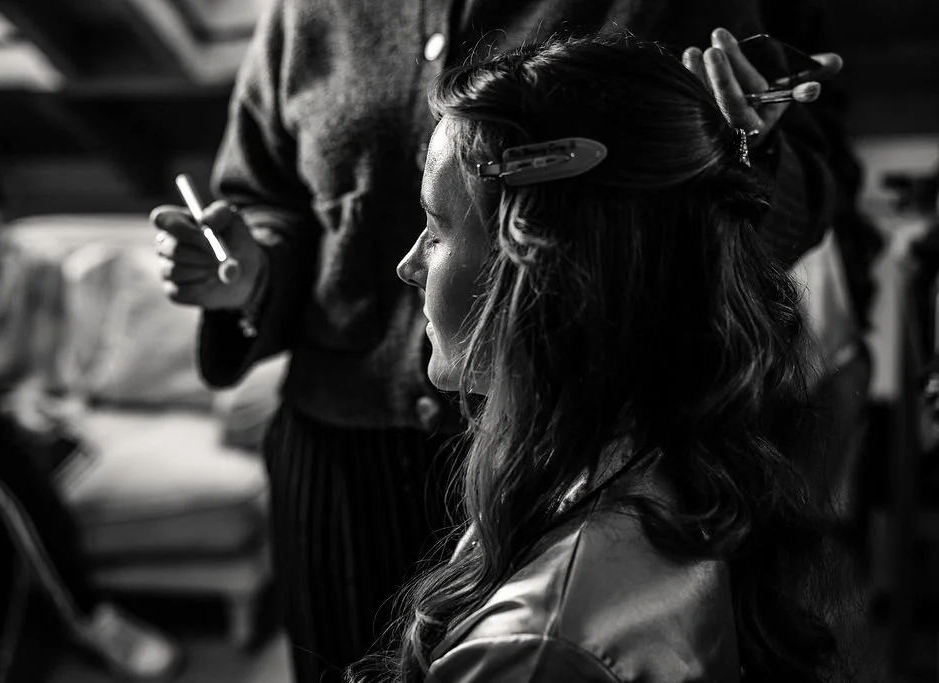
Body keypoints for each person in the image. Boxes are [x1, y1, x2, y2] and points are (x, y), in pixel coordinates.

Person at [151, 3, 846, 681]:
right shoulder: (304, 15)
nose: (407, 262)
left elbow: (716, 214)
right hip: (352, 457)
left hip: (550, 441)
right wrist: (249, 274)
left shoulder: (567, 622)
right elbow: (267, 198)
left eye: (437, 226)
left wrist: (745, 150)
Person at [346, 33, 840, 682]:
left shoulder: (539, 648)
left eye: (436, 229)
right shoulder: (656, 472)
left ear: (542, 265)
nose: (409, 266)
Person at [0, 123, 182, 683]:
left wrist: (23, 407)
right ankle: (90, 617)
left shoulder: (38, 270)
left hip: (34, 431)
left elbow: (45, 377)